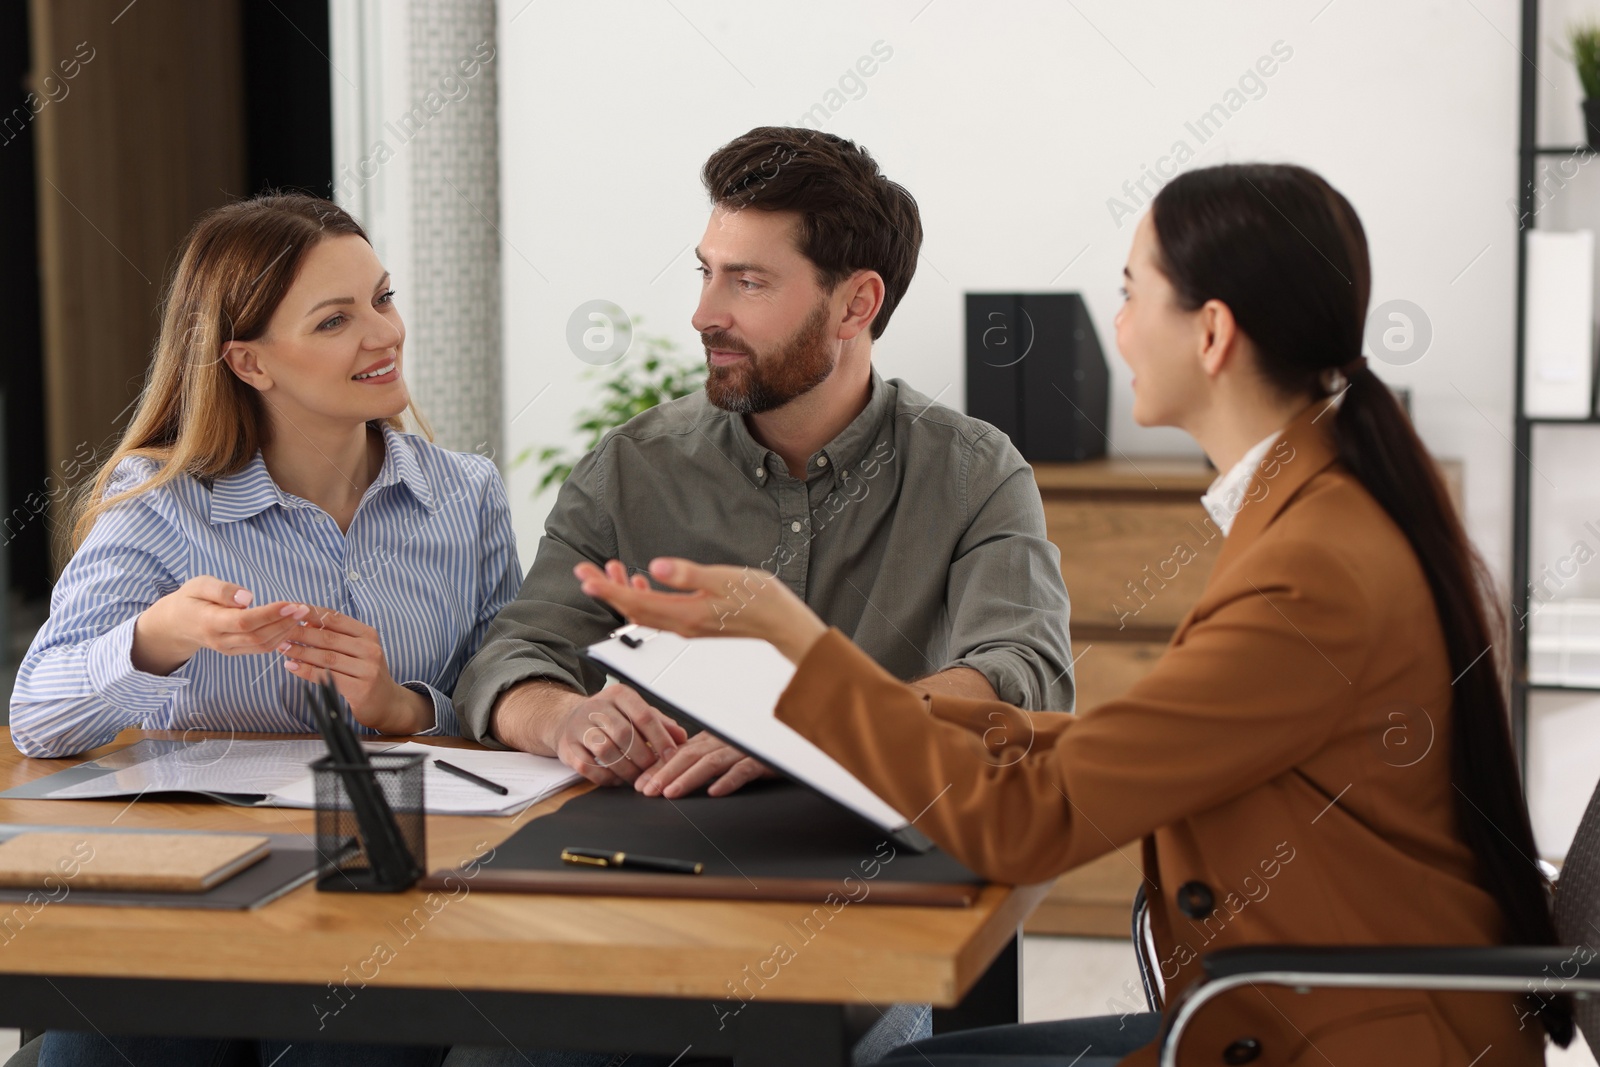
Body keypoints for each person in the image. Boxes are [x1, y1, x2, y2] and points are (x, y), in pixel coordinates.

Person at [573, 162, 1569, 1066]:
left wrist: (795, 642)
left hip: (1343, 1035)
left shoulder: (1313, 570)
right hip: (1319, 1006)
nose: (1118, 324)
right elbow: (1125, 749)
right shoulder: (1320, 506)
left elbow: (1025, 822)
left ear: (1212, 333)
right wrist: (889, 703)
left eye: (1134, 290)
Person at [448, 128, 1073, 1065]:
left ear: (856, 301)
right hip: (644, 894)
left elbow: (1024, 680)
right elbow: (515, 653)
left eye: (748, 282)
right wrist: (562, 719)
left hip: (856, 907)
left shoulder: (974, 471)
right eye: (706, 272)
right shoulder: (631, 467)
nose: (704, 312)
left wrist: (816, 724)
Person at [17, 192, 518, 1067]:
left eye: (383, 298)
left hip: (379, 895)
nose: (382, 334)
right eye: (335, 320)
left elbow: (506, 702)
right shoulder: (160, 501)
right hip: (189, 889)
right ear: (249, 362)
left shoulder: (465, 495)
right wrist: (158, 635)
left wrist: (401, 704)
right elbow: (39, 715)